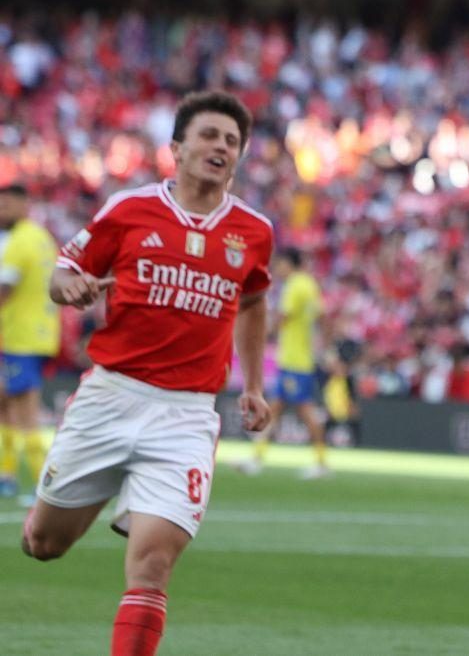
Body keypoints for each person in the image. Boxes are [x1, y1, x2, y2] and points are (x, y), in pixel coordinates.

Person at [21, 91, 274, 656]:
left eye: (232, 141)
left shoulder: (254, 231)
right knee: (44, 543)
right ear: (177, 148)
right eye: (209, 136)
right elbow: (63, 274)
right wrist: (75, 288)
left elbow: (254, 301)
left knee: (153, 565)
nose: (221, 147)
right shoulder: (128, 209)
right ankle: (64, 507)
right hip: (112, 396)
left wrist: (253, 386)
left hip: (186, 414)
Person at [240, 247, 329, 478]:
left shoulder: (294, 287)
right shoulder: (309, 285)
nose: (278, 269)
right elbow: (321, 317)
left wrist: (258, 333)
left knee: (306, 410)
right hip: (300, 357)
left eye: (280, 264)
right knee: (274, 408)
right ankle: (256, 458)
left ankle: (321, 463)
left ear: (290, 263)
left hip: (294, 360)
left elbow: (282, 317)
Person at [0, 184, 60, 503]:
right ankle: (6, 476)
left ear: (24, 204)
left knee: (25, 411)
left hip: (20, 337)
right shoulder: (41, 238)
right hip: (39, 334)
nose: (1, 210)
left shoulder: (19, 242)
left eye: (6, 204)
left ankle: (43, 486)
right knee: (7, 404)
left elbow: (3, 291)